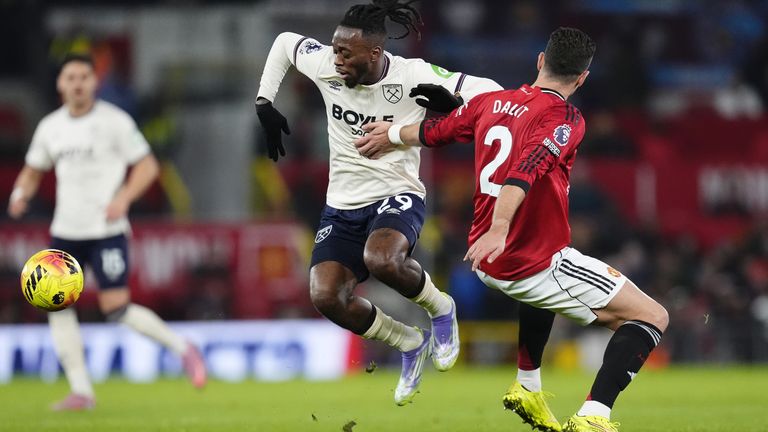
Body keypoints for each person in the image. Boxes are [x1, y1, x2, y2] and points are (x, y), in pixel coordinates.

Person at [354, 27, 669, 431]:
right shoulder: (565, 118)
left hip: (490, 258)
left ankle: (527, 385)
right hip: (528, 258)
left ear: (541, 60)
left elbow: (439, 130)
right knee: (651, 316)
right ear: (582, 78)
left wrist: (392, 135)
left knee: (545, 296)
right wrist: (501, 227)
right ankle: (594, 416)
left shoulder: (492, 101)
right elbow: (525, 170)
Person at [255, 0, 501, 405]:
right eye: (334, 50)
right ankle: (408, 342)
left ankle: (441, 308)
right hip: (342, 204)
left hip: (397, 193)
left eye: (345, 53)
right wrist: (264, 102)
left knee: (382, 259)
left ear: (374, 53)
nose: (336, 60)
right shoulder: (327, 65)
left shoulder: (413, 75)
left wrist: (450, 105)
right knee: (326, 296)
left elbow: (491, 93)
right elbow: (284, 43)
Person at [7, 53, 207, 411]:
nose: (78, 84)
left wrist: (124, 198)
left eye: (84, 77)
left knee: (115, 307)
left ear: (93, 82)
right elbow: (33, 170)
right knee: (56, 305)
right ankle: (81, 391)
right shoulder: (50, 127)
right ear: (60, 84)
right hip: (65, 230)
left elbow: (147, 166)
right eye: (71, 78)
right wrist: (20, 194)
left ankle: (183, 348)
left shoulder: (115, 121)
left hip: (106, 229)